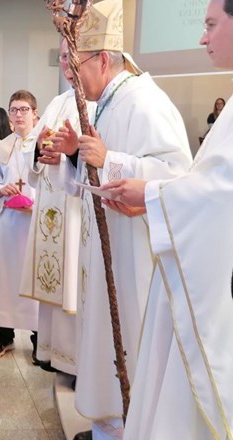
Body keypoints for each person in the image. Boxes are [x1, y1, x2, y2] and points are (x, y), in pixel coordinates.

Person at [50, 1, 193, 437]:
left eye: (75, 65)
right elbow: (96, 167)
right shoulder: (106, 103)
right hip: (107, 249)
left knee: (130, 343)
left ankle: (128, 423)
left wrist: (110, 159)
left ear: (103, 59)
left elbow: (178, 176)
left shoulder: (144, 102)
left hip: (135, 259)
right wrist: (76, 154)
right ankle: (110, 422)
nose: (70, 76)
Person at [100, 1, 233, 437]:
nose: (202, 37)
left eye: (211, 24)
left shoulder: (146, 102)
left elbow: (219, 191)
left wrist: (152, 194)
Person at [18, 38, 97, 374]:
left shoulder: (97, 103)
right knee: (54, 281)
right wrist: (40, 150)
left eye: (71, 56)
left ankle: (76, 361)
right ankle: (51, 353)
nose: (66, 63)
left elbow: (99, 157)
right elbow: (31, 147)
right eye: (62, 57)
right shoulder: (58, 102)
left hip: (77, 209)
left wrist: (68, 156)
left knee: (75, 282)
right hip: (52, 207)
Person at [0, 90, 40, 359]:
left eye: (24, 109)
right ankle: (5, 335)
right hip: (9, 223)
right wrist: (1, 189)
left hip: (36, 223)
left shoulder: (45, 145)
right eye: (14, 110)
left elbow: (56, 182)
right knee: (7, 278)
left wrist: (36, 201)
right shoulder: (1, 147)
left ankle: (40, 337)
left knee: (35, 276)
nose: (19, 115)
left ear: (35, 113)